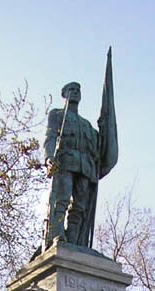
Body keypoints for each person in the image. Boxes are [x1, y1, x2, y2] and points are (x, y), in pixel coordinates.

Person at [43, 82, 100, 247]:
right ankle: (57, 235)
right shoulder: (57, 115)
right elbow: (50, 137)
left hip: (85, 168)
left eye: (77, 90)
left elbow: (97, 150)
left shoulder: (87, 125)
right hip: (65, 163)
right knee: (61, 200)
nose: (75, 92)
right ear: (64, 94)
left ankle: (74, 240)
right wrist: (48, 158)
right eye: (71, 90)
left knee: (80, 207)